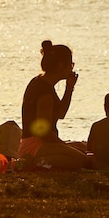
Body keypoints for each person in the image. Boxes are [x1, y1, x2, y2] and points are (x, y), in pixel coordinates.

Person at [18, 40, 88, 170]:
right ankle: (35, 162)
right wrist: (64, 145)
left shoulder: (42, 83)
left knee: (81, 147)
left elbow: (61, 114)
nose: (71, 68)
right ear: (61, 66)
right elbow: (43, 132)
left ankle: (40, 161)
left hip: (39, 143)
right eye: (70, 65)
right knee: (80, 159)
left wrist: (69, 88)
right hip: (35, 145)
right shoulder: (45, 93)